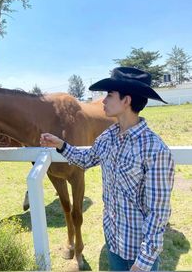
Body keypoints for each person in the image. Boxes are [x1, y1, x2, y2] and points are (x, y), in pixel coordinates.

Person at [40, 67, 175, 271]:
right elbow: (85, 159)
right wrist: (61, 144)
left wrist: (143, 262)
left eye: (109, 95)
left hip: (137, 252)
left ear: (126, 101)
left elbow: (159, 213)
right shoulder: (108, 137)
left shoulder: (155, 149)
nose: (103, 101)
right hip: (112, 240)